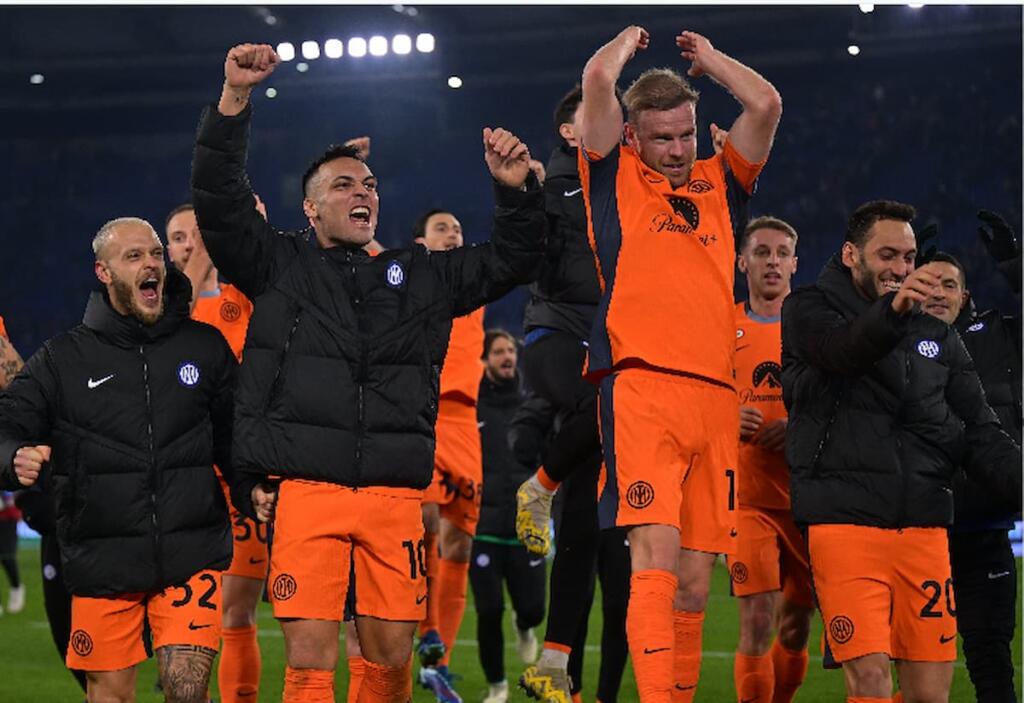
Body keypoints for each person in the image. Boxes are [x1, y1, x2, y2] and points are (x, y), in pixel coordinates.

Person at [191, 43, 545, 703]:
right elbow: (218, 201)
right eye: (344, 185)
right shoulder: (278, 266)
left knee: (388, 664)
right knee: (309, 662)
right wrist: (234, 98)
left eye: (370, 185)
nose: (363, 192)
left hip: (392, 496)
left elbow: (513, 259)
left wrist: (515, 190)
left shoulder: (419, 276)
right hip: (307, 490)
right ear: (311, 209)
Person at [577, 25, 782, 703]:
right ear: (631, 137)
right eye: (661, 138)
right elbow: (597, 82)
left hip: (716, 398)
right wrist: (622, 43)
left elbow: (766, 106)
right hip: (643, 389)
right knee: (655, 561)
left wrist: (714, 62)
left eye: (686, 135)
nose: (676, 149)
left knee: (694, 585)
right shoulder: (613, 178)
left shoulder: (722, 182)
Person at [781, 199, 1022, 703]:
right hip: (844, 526)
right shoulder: (808, 310)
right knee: (870, 681)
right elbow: (844, 351)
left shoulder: (938, 338)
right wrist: (893, 312)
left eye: (908, 257)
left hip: (925, 532)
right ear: (851, 254)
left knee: (930, 694)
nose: (901, 268)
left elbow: (981, 432)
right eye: (887, 255)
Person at [0, 216, 237, 703]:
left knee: (187, 689)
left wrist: (257, 487)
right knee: (109, 695)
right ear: (103, 272)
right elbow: (7, 421)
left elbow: (238, 436)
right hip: (102, 559)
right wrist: (12, 455)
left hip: (189, 553)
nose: (151, 263)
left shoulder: (204, 347)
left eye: (155, 253)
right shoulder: (64, 359)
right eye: (133, 256)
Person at [517, 84, 633, 703]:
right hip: (558, 335)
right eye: (599, 115)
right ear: (570, 132)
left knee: (588, 525)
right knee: (613, 407)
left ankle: (556, 664)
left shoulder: (627, 186)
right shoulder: (552, 185)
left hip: (608, 345)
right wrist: (518, 194)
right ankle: (539, 485)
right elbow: (522, 251)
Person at [916, 212, 1021, 703]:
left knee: (992, 665)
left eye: (949, 285)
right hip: (916, 535)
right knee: (912, 668)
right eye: (929, 282)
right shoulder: (889, 340)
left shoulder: (1000, 337)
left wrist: (1016, 266)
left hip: (984, 532)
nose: (939, 292)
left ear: (966, 296)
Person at [165, 202, 264, 703]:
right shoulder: (159, 313)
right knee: (184, 625)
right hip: (183, 485)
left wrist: (243, 220)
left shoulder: (242, 300)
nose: (189, 245)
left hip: (241, 477)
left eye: (195, 234)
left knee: (236, 611)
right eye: (178, 237)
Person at [727, 216, 813, 703]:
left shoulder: (815, 330)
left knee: (796, 624)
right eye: (762, 252)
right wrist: (724, 416)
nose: (772, 262)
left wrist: (797, 429)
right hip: (748, 499)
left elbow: (841, 403)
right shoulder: (722, 326)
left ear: (795, 264)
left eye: (782, 253)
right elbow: (696, 399)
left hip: (807, 499)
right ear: (743, 262)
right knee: (757, 620)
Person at [413, 208, 485, 703]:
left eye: (458, 228)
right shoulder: (405, 280)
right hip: (424, 416)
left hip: (465, 424)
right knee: (425, 519)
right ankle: (429, 635)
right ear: (421, 243)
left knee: (459, 544)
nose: (454, 233)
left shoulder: (477, 280)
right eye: (442, 227)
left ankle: (439, 667)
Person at [469, 329, 547, 703]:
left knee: (534, 609)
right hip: (483, 527)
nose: (507, 356)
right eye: (499, 351)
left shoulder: (532, 403)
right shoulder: (472, 406)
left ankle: (524, 625)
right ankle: (497, 686)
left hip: (525, 525)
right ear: (485, 360)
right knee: (488, 610)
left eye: (511, 350)